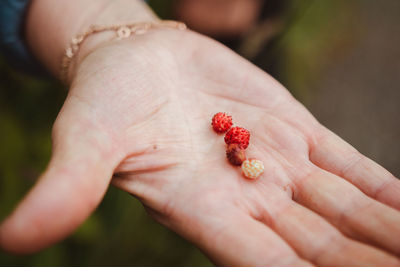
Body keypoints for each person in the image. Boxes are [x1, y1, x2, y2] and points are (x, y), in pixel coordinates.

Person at [1, 0, 399, 266]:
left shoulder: (236, 142)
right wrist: (95, 22)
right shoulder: (232, 142)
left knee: (239, 18)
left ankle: (247, 38)